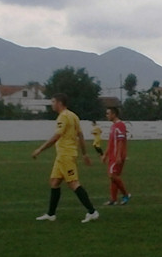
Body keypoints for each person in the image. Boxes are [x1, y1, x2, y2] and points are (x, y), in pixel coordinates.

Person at [32, 93, 99, 223]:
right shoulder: (73, 116)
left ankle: (92, 212)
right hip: (63, 155)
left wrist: (40, 149)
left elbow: (56, 136)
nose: (52, 104)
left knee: (73, 183)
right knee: (54, 182)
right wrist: (84, 154)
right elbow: (80, 135)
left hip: (65, 155)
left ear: (59, 103)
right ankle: (51, 214)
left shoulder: (63, 117)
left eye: (53, 102)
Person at [101, 106, 131, 206]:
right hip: (112, 155)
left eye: (108, 113)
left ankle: (126, 194)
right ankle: (113, 199)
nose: (107, 115)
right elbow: (111, 143)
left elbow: (121, 141)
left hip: (117, 155)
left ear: (114, 114)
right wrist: (105, 154)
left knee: (112, 175)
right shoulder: (113, 126)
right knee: (113, 177)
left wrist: (118, 156)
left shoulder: (120, 125)